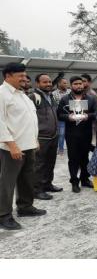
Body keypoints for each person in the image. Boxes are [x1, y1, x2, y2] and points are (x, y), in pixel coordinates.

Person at [0, 63, 46, 230]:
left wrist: (35, 140)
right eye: (20, 76)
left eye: (25, 75)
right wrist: (12, 145)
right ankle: (3, 215)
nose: (24, 78)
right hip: (12, 147)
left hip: (28, 145)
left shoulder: (22, 95)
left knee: (27, 178)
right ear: (8, 76)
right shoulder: (2, 94)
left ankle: (25, 207)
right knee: (7, 182)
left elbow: (29, 120)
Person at [57, 76, 97, 193]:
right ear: (71, 86)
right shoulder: (65, 99)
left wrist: (88, 116)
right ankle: (74, 182)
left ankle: (85, 179)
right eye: (75, 84)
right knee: (73, 159)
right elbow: (59, 114)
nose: (79, 86)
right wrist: (68, 117)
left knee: (85, 158)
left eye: (80, 83)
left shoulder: (91, 99)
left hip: (86, 133)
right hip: (71, 134)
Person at [28, 73, 62, 201]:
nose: (48, 84)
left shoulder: (51, 96)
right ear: (38, 83)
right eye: (45, 82)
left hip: (53, 135)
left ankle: (47, 184)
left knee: (50, 162)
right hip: (41, 137)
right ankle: (37, 190)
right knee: (39, 164)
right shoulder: (33, 97)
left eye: (49, 82)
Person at [52, 77, 71, 156]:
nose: (66, 84)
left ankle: (71, 148)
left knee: (71, 133)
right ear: (59, 84)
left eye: (66, 83)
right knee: (61, 134)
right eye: (64, 83)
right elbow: (54, 106)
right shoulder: (54, 93)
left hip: (71, 116)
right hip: (61, 117)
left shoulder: (70, 92)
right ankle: (60, 149)